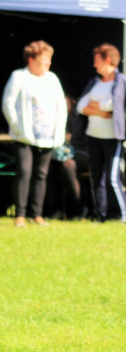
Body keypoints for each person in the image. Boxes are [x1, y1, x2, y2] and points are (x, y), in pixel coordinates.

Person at [2, 41, 67, 228]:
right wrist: (16, 125)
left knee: (41, 175)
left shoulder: (52, 78)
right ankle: (20, 215)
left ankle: (36, 214)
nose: (48, 63)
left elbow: (61, 105)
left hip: (47, 136)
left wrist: (60, 130)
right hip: (24, 137)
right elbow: (8, 103)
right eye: (44, 59)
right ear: (31, 59)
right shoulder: (19, 77)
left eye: (49, 59)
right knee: (24, 173)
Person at [76, 43, 126, 223]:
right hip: (93, 136)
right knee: (97, 178)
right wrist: (99, 111)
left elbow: (112, 105)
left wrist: (96, 106)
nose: (94, 65)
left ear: (108, 60)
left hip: (112, 137)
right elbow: (82, 106)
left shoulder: (122, 81)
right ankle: (101, 214)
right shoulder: (95, 82)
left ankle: (121, 215)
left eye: (97, 61)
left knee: (112, 177)